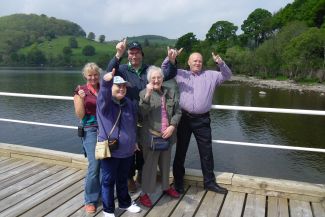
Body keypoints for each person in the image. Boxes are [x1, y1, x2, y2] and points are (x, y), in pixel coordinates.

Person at [107, 39, 178, 192]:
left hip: (145, 116)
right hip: (128, 114)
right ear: (128, 55)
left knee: (143, 149)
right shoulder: (123, 69)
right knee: (127, 148)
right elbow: (109, 71)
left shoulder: (149, 70)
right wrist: (118, 54)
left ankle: (141, 174)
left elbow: (167, 74)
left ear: (142, 55)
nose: (134, 56)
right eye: (131, 53)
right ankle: (129, 178)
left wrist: (172, 61)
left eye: (137, 53)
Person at [162, 51, 232, 194]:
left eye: (199, 61)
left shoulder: (211, 75)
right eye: (194, 61)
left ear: (202, 63)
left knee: (206, 152)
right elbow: (163, 71)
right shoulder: (180, 73)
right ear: (188, 62)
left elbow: (227, 75)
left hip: (202, 120)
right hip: (184, 119)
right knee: (181, 151)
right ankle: (178, 182)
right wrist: (170, 59)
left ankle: (209, 182)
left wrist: (220, 63)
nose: (197, 63)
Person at [96, 69, 141, 217]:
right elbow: (103, 94)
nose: (121, 88)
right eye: (118, 86)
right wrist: (106, 81)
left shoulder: (128, 103)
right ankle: (108, 210)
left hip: (127, 150)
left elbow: (132, 124)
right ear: (111, 88)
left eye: (124, 86)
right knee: (108, 181)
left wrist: (134, 142)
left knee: (123, 179)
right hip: (110, 150)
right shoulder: (105, 104)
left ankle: (125, 203)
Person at [138, 66, 181, 207]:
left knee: (165, 164)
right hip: (151, 137)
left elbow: (178, 111)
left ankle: (166, 187)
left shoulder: (171, 92)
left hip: (168, 136)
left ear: (163, 79)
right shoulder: (143, 93)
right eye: (153, 78)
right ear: (149, 80)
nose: (156, 80)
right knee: (149, 167)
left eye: (159, 77)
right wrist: (148, 95)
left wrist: (172, 126)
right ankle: (144, 194)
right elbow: (141, 114)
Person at [73, 62, 101, 213]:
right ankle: (90, 199)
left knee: (104, 162)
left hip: (105, 129)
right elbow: (80, 115)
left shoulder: (104, 88)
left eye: (95, 74)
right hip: (90, 129)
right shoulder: (80, 90)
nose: (93, 77)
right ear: (85, 76)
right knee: (94, 164)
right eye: (89, 75)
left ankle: (102, 193)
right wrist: (80, 99)